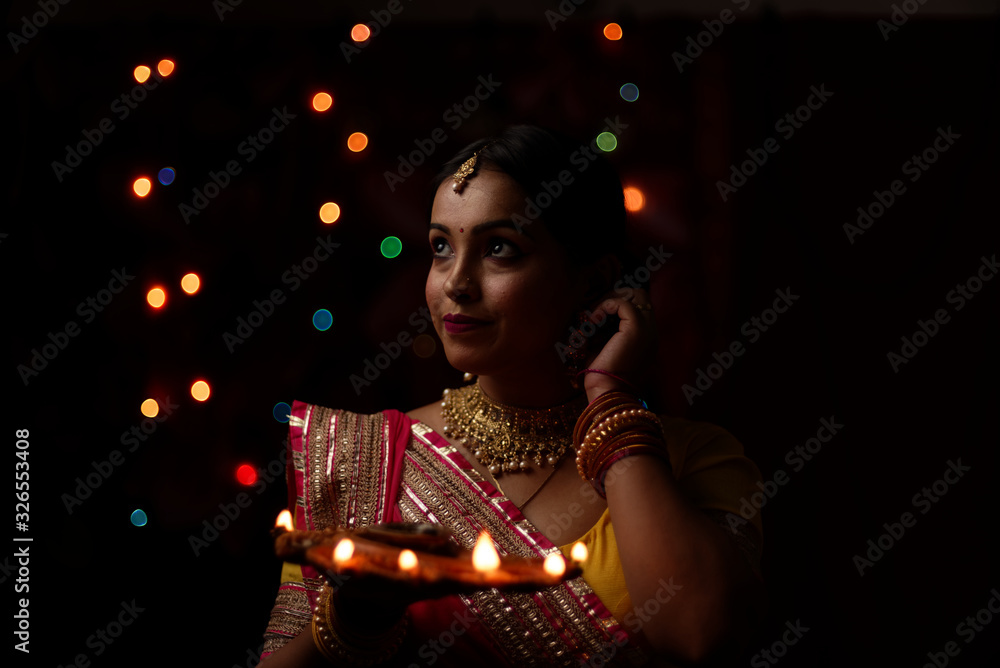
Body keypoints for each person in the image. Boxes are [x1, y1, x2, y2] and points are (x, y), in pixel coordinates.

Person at [258, 125, 765, 667]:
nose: (456, 283)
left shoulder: (695, 458)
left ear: (595, 281)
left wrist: (610, 402)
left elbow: (700, 637)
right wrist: (354, 618)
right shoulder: (357, 456)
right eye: (441, 247)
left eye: (499, 248)